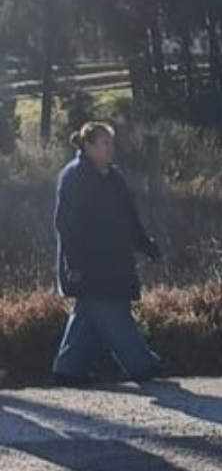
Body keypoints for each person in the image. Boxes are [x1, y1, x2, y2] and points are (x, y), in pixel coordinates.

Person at [51, 121, 165, 385]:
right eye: (105, 143)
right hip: (90, 263)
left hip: (113, 260)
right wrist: (74, 263)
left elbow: (129, 217)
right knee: (113, 312)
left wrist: (145, 244)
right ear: (88, 146)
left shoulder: (114, 177)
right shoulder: (74, 177)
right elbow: (66, 224)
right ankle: (141, 365)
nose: (111, 148)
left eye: (112, 143)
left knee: (88, 316)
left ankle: (68, 369)